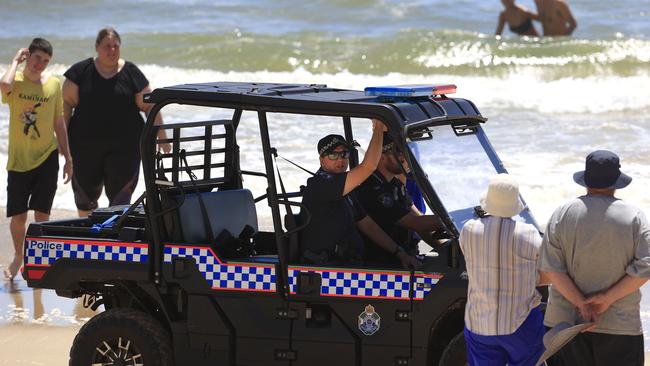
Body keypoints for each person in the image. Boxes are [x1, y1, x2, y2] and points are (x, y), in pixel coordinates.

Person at [539, 150, 650, 366]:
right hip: (620, 325)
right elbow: (646, 267)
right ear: (616, 182)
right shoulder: (634, 216)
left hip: (565, 325)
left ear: (585, 181)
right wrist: (606, 299)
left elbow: (552, 269)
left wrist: (581, 304)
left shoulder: (562, 213)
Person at [62, 27, 170, 217]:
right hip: (84, 148)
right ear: (97, 47)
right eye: (107, 46)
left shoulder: (131, 73)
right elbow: (65, 106)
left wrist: (161, 137)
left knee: (120, 202)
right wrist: (61, 142)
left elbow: (150, 107)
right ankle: (90, 238)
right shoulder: (80, 73)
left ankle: (114, 240)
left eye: (116, 46)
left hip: (125, 150)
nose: (112, 50)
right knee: (85, 199)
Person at [299, 121, 420, 269]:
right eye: (332, 155)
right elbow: (369, 167)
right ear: (321, 160)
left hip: (348, 264)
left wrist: (399, 253)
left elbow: (368, 225)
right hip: (326, 269)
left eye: (344, 154)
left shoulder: (346, 189)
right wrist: (378, 129)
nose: (340, 159)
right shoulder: (321, 184)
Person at [0, 38, 73, 280]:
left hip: (47, 157)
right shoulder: (16, 82)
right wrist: (13, 62)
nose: (40, 63)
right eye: (37, 58)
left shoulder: (53, 85)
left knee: (42, 214)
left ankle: (38, 262)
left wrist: (68, 157)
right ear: (27, 56)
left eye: (46, 60)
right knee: (19, 216)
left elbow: (58, 122)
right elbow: (3, 84)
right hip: (19, 160)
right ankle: (19, 257)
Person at [460, 174, 545, 366]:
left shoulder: (468, 230)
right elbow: (548, 270)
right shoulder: (529, 233)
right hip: (520, 324)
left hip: (479, 324)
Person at [356, 133, 443, 265]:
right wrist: (452, 219)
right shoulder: (372, 188)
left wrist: (444, 246)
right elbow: (416, 223)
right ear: (381, 156)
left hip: (406, 257)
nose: (404, 157)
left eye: (404, 151)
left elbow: (419, 221)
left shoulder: (394, 185)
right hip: (383, 266)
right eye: (398, 151)